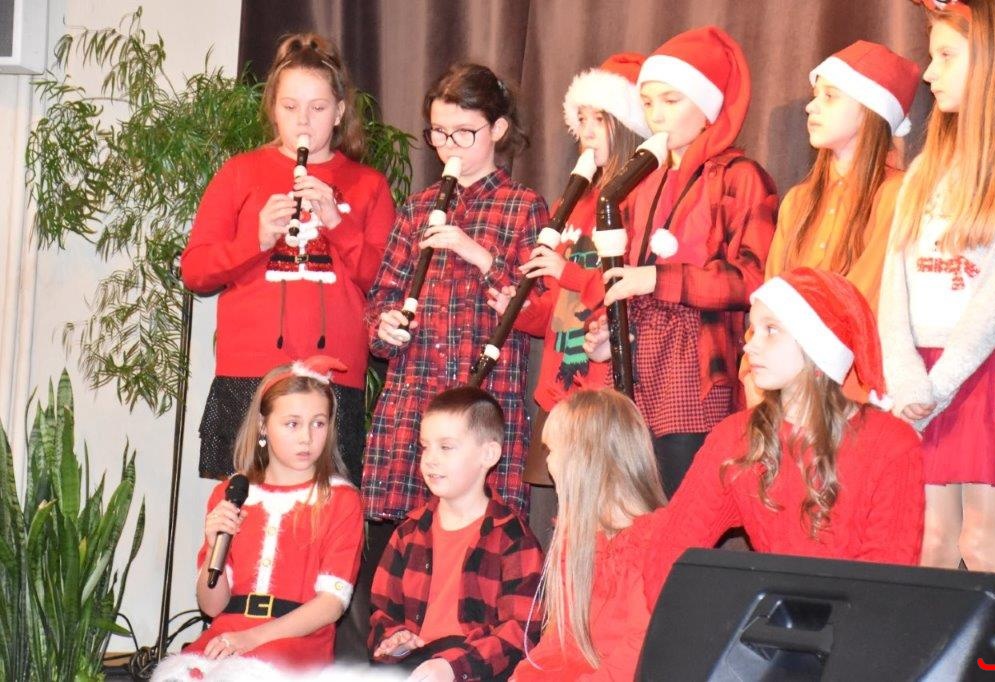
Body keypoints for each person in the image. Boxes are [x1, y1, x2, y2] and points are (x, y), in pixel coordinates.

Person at [181, 32, 394, 485]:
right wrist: (255, 240)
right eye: (290, 106)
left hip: (334, 374)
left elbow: (386, 282)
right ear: (273, 108)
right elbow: (195, 271)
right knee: (245, 508)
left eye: (318, 108)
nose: (303, 121)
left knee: (325, 508)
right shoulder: (239, 172)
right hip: (251, 370)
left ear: (339, 112)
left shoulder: (368, 184)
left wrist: (337, 223)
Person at [646, 269, 925, 603]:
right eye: (753, 329)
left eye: (771, 330)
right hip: (768, 624)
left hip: (855, 628)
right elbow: (668, 558)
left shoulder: (891, 445)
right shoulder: (736, 439)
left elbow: (886, 587)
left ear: (817, 348)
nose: (750, 343)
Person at [584, 26, 778, 496]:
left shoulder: (738, 176)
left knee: (681, 504)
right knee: (628, 508)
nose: (657, 115)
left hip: (695, 367)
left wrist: (656, 279)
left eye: (672, 100)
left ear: (708, 107)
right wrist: (608, 329)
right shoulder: (641, 182)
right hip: (635, 364)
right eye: (648, 102)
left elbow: (753, 280)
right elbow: (622, 275)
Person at [363, 63, 548, 528]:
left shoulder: (524, 206)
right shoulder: (417, 209)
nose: (449, 146)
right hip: (415, 400)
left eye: (464, 133)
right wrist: (385, 325)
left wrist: (478, 254)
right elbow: (381, 301)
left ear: (497, 129)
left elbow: (539, 307)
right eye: (439, 133)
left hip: (482, 400)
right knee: (408, 545)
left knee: (481, 544)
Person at [879, 0, 995, 578]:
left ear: (991, 61)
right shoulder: (924, 169)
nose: (929, 73)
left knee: (980, 538)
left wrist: (940, 383)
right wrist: (905, 371)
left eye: (946, 56)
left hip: (980, 368)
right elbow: (894, 281)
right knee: (932, 538)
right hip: (923, 372)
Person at [486, 52, 649, 545]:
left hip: (602, 387)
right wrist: (519, 310)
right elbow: (558, 309)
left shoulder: (638, 199)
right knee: (569, 518)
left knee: (609, 515)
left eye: (599, 119)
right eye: (581, 120)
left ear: (626, 124)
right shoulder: (571, 202)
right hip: (561, 386)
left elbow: (624, 288)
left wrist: (569, 272)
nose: (587, 132)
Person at [153, 357, 363, 679]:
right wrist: (214, 545)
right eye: (292, 424)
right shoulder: (231, 494)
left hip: (296, 643)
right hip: (227, 634)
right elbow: (211, 606)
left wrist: (251, 639)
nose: (307, 438)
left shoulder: (339, 499)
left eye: (318, 423)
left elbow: (330, 605)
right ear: (263, 426)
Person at [369, 387, 544, 682]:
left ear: (488, 454)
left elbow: (521, 632)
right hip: (412, 668)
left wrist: (453, 666)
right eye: (425, 447)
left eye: (446, 447)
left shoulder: (514, 539)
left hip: (474, 672)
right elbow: (381, 611)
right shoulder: (408, 532)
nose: (430, 459)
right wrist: (395, 638)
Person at [511, 389, 666, 681]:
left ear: (585, 460)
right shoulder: (578, 540)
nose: (548, 464)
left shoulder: (655, 543)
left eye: (552, 450)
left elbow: (639, 654)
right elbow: (560, 642)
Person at [765, 40, 920, 310]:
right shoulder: (798, 201)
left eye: (830, 96)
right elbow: (771, 296)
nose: (811, 107)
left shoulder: (897, 194)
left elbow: (866, 297)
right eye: (815, 95)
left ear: (870, 110)